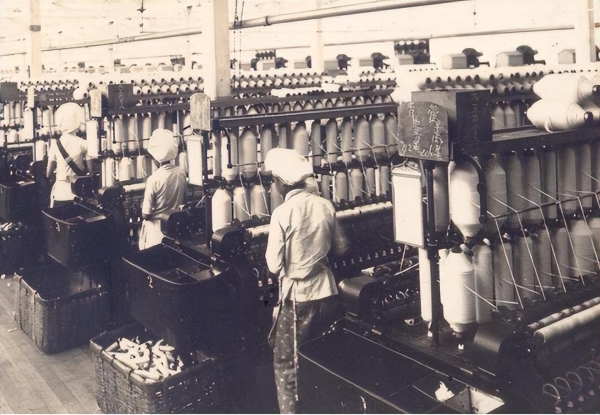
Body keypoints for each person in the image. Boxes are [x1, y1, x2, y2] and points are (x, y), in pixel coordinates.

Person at [264, 148, 349, 414]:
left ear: (281, 183)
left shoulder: (282, 213)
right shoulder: (325, 205)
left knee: (287, 364)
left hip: (298, 300)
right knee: (324, 357)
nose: (272, 186)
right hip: (327, 293)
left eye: (272, 181)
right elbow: (341, 247)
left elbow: (273, 265)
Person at [139, 128, 187, 250]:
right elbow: (184, 200)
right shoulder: (181, 173)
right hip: (174, 230)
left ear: (156, 159)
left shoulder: (153, 179)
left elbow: (146, 214)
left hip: (156, 233)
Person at [46, 102, 92, 208]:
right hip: (78, 193)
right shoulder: (83, 143)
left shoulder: (55, 144)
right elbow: (90, 172)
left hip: (60, 193)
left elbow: (48, 173)